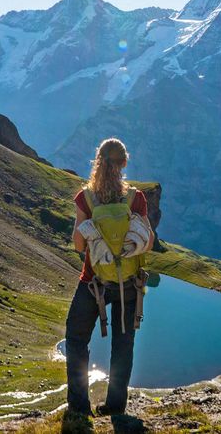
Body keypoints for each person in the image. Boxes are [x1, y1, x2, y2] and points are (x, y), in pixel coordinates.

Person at [64, 138, 155, 418]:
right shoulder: (135, 199)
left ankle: (80, 408)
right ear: (124, 163)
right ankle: (115, 406)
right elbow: (148, 242)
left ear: (98, 161)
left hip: (93, 282)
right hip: (129, 284)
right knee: (123, 344)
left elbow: (79, 245)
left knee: (76, 338)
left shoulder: (86, 198)